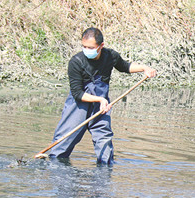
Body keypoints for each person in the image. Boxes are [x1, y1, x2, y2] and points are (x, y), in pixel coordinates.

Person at [49, 27, 156, 163]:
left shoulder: (110, 56)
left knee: (104, 139)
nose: (87, 50)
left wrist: (144, 68)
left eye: (91, 47)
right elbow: (77, 93)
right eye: (84, 47)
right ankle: (56, 166)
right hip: (78, 106)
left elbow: (125, 66)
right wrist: (100, 99)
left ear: (101, 46)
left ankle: (104, 174)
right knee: (64, 141)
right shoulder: (75, 62)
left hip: (101, 107)